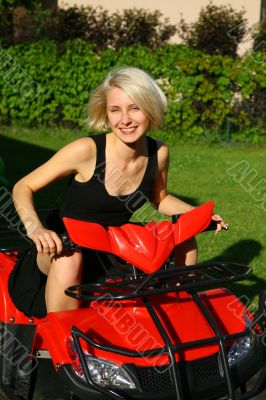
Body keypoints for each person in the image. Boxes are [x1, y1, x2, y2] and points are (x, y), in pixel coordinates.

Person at [11, 66, 227, 316]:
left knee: (184, 234)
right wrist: (36, 228)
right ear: (106, 113)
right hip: (60, 248)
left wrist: (197, 215)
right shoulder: (86, 151)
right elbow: (22, 186)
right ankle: (66, 344)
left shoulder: (159, 152)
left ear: (151, 108)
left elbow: (160, 198)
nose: (125, 120)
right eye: (115, 110)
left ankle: (178, 310)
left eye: (135, 108)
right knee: (71, 258)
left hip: (110, 249)